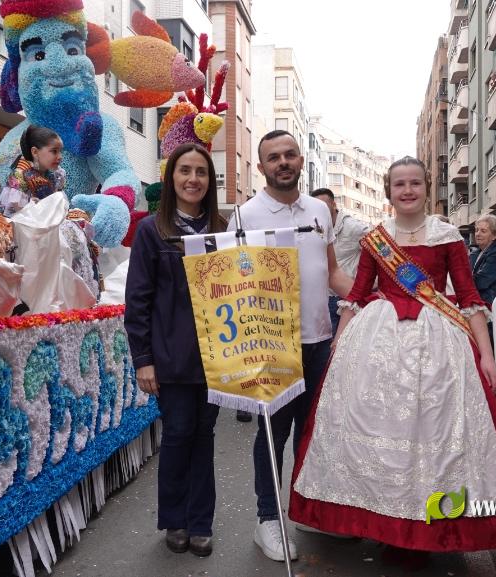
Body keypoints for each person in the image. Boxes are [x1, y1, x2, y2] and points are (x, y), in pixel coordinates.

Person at [289, 156, 496, 569]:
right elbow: (355, 295)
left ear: (428, 188)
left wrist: (485, 354)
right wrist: (338, 348)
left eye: (415, 184)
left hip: (439, 348)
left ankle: (435, 526)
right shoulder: (377, 238)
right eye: (399, 185)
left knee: (436, 434)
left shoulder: (447, 236)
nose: (407, 191)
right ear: (389, 192)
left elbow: (469, 297)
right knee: (380, 432)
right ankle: (387, 524)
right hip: (379, 348)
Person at [228, 130, 352, 562]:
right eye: (273, 157)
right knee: (271, 437)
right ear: (260, 167)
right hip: (273, 347)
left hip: (320, 342)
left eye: (289, 154)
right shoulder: (245, 216)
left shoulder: (320, 209)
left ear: (301, 161)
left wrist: (372, 296)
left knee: (313, 435)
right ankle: (268, 520)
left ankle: (310, 512)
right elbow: (231, 287)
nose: (283, 162)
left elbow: (333, 272)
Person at [125, 143, 227, 558]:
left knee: (204, 436)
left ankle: (201, 522)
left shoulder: (222, 228)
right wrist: (143, 359)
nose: (193, 179)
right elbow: (138, 300)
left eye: (201, 172)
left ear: (209, 181)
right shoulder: (153, 230)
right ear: (172, 179)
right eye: (185, 171)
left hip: (218, 356)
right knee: (178, 435)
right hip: (171, 358)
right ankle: (176, 519)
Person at [311, 187, 370, 335]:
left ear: (333, 204)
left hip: (344, 299)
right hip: (321, 298)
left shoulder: (354, 228)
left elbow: (379, 249)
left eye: (323, 205)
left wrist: (368, 283)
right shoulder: (314, 227)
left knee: (340, 346)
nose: (320, 210)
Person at [0, 125, 66, 217]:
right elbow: (17, 214)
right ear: (35, 152)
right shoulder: (20, 175)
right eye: (54, 151)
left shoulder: (57, 175)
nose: (60, 157)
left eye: (61, 151)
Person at [470, 214, 496, 348]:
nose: (478, 234)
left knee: (493, 356)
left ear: (494, 235)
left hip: (494, 313)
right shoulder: (475, 253)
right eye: (476, 230)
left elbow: (481, 281)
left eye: (483, 231)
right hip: (478, 311)